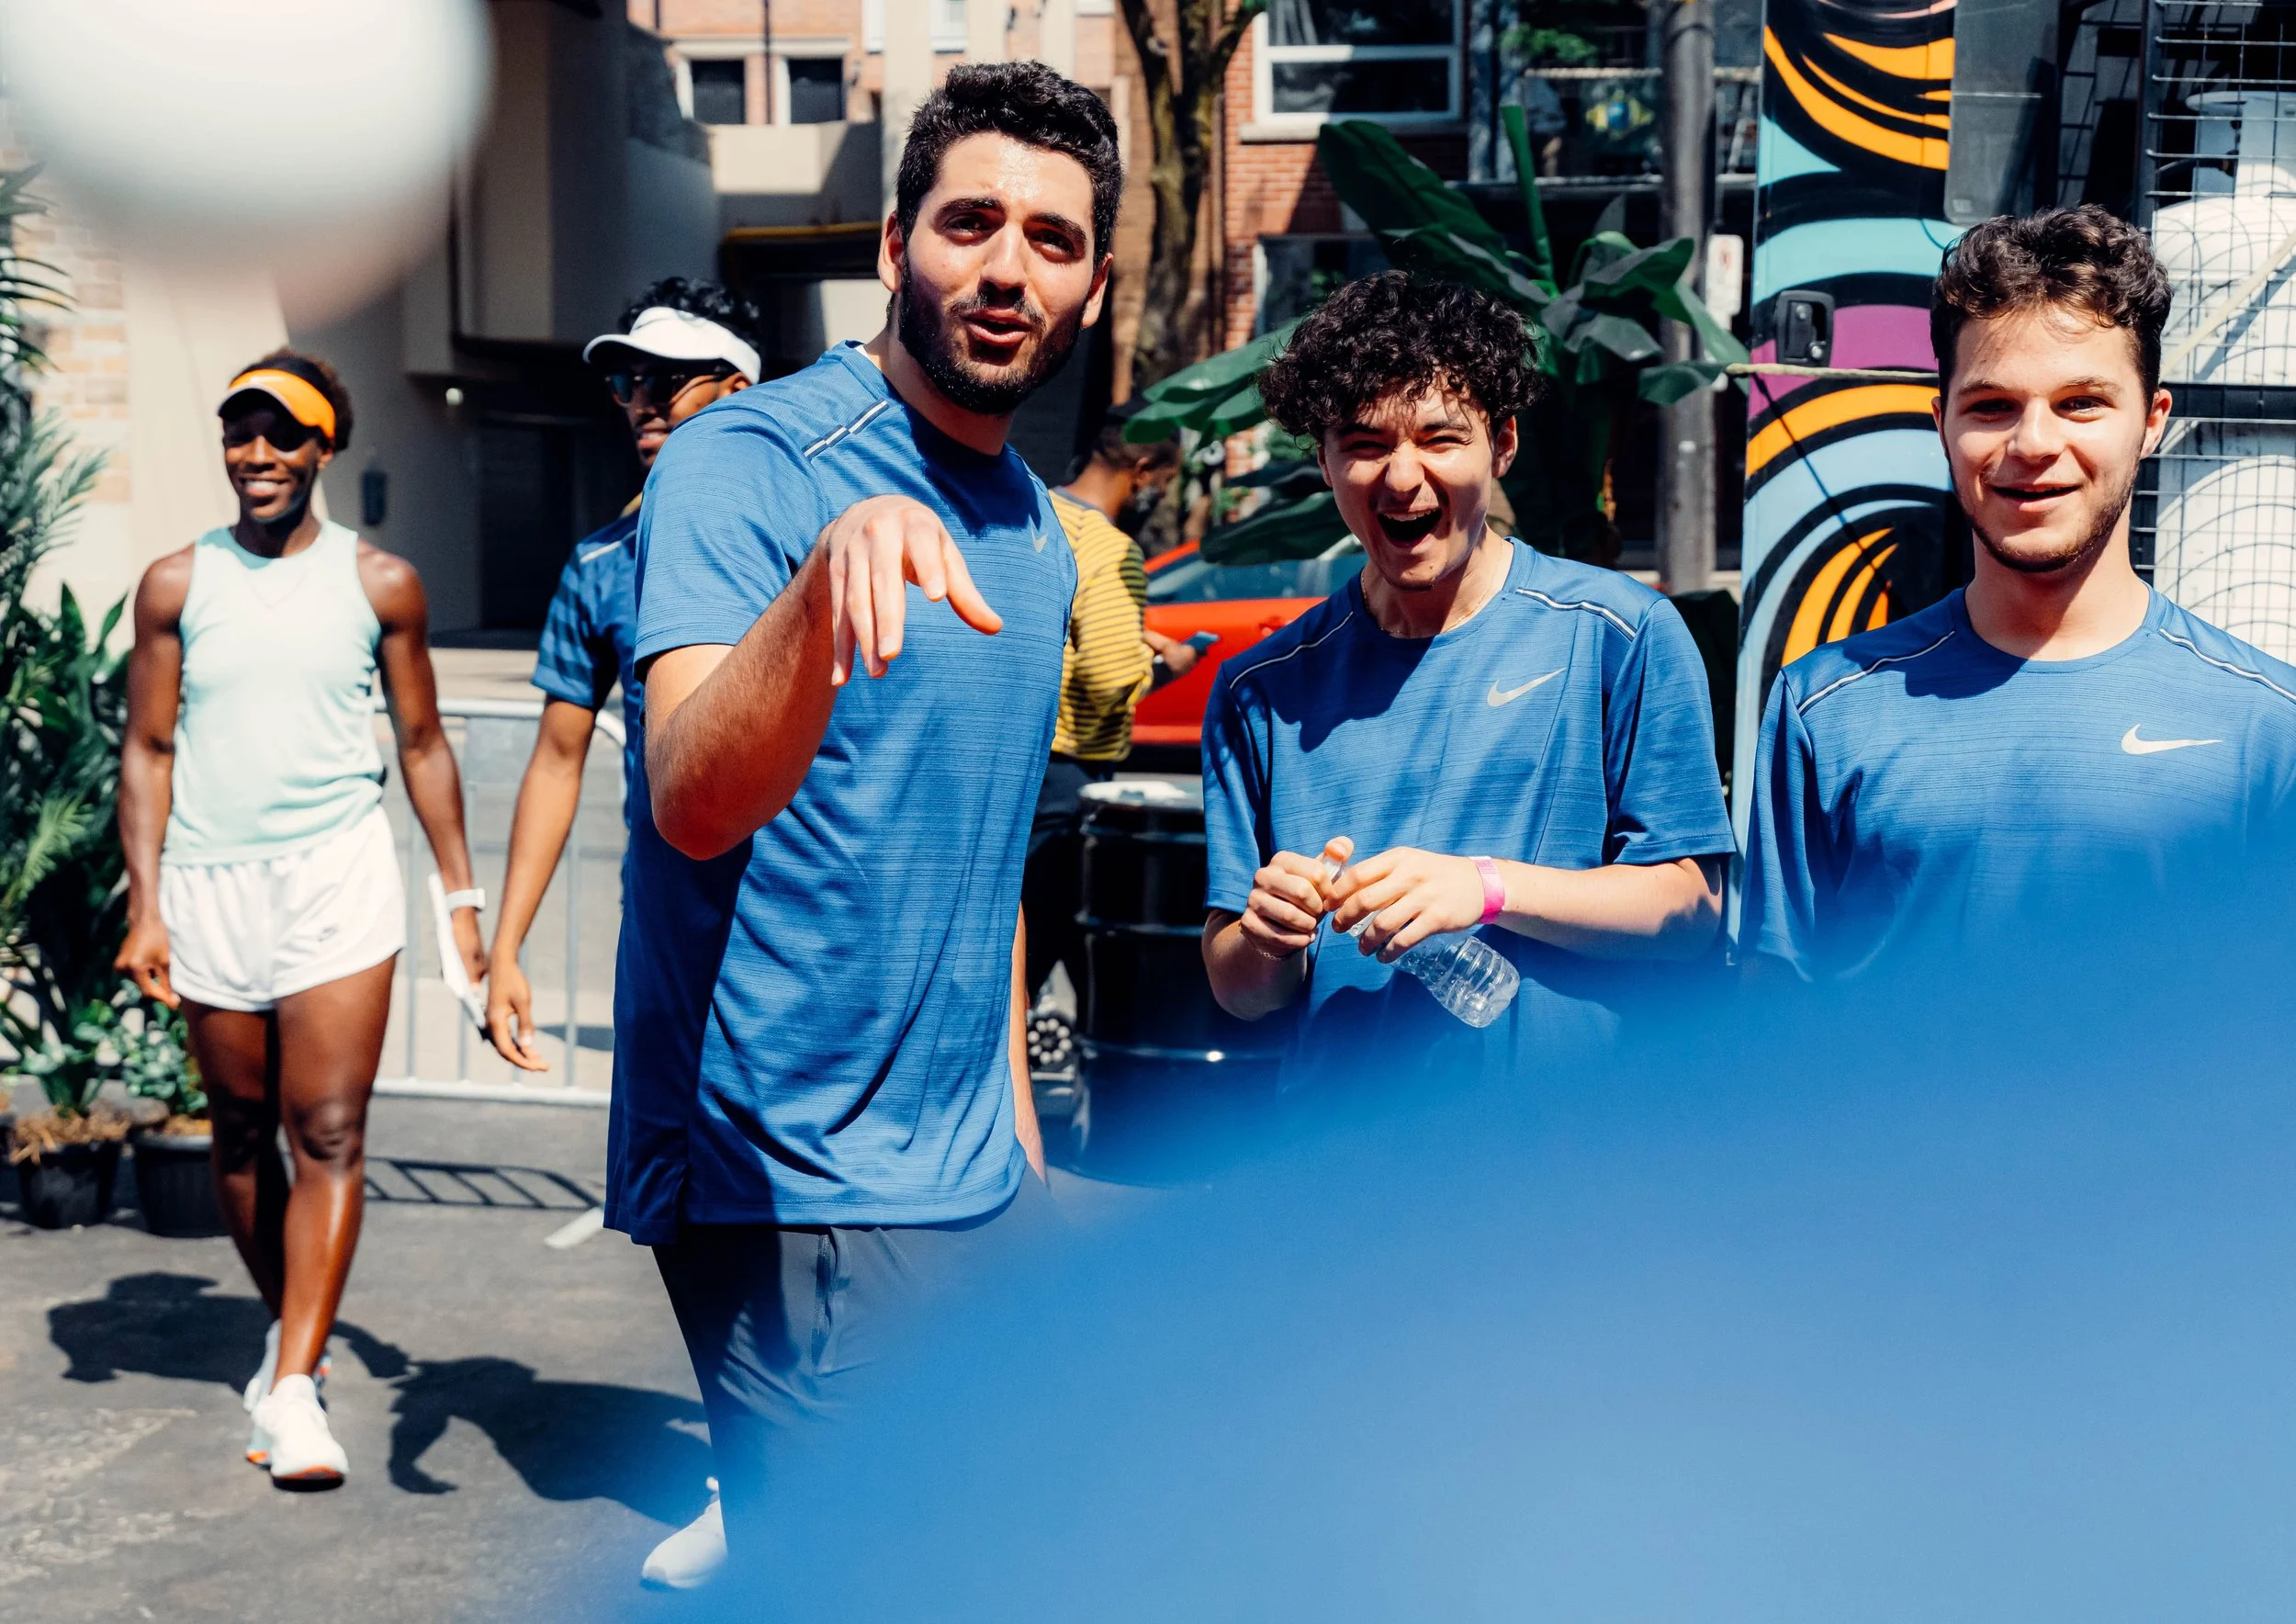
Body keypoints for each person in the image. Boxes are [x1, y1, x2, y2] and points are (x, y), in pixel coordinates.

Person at [613, 60, 1119, 1569]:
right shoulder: (750, 460)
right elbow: (690, 797)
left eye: (1053, 239)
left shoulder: (1037, 534)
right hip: (791, 1182)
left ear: (1090, 288)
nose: (1009, 268)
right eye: (971, 223)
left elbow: (986, 862)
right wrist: (821, 602)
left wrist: (1020, 1158)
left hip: (975, 1182)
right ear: (894, 247)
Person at [1199, 273, 1735, 1085]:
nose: (1401, 477)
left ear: (1503, 444)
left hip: (1569, 1142)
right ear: (1325, 462)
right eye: (1364, 443)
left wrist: (1487, 888)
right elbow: (1240, 991)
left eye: (1440, 438)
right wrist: (1267, 936)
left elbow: (1692, 911)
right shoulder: (1261, 689)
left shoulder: (1620, 635)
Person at [1741, 206, 2296, 980]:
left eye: (2081, 402)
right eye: (1993, 406)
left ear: (2152, 421)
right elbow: (1773, 1011)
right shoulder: (1824, 710)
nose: (2033, 444)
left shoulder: (2267, 728)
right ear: (1942, 423)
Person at [115, 352, 487, 1487]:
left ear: (326, 447)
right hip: (210, 882)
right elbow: (148, 747)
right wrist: (146, 904)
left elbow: (422, 743)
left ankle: (289, 1392)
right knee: (237, 1133)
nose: (259, 454)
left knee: (324, 1130)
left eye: (284, 434)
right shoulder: (175, 583)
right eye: (242, 432)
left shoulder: (382, 583)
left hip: (336, 875)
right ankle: (299, 1348)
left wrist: (461, 900)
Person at [482, 278, 760, 1072]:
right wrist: (506, 948)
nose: (642, 402)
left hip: (803, 904)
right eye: (626, 381)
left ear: (738, 387)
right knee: (660, 1136)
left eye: (666, 379)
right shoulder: (599, 562)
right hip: (663, 906)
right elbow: (556, 760)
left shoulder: (817, 537)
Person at [1023, 405, 1190, 999]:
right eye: (1164, 481)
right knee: (1058, 939)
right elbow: (1107, 676)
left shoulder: (1031, 509)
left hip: (1014, 756)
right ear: (1142, 471)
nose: (1158, 494)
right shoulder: (1112, 548)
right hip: (1071, 772)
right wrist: (1165, 666)